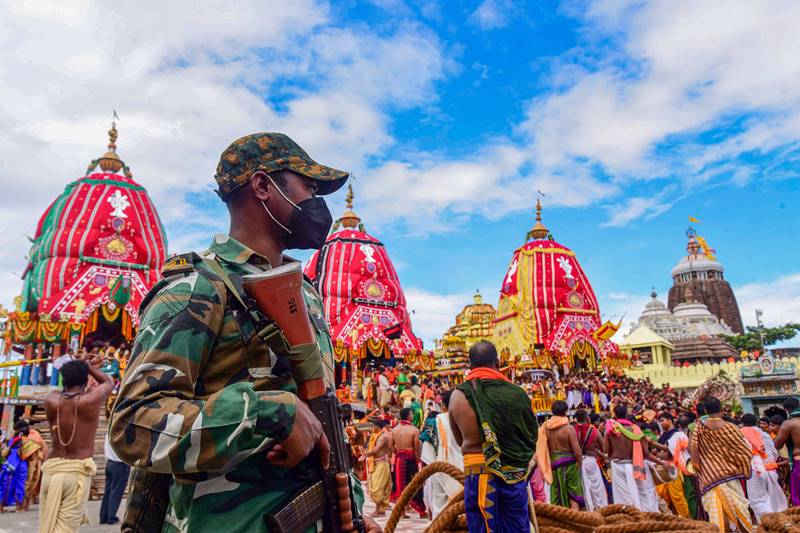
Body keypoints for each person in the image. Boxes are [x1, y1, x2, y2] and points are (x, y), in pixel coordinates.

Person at [108, 133, 379, 533]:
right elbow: (133, 423)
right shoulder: (198, 287)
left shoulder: (306, 294)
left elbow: (321, 421)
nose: (317, 202)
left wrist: (348, 509)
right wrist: (266, 413)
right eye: (309, 186)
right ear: (263, 186)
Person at [449, 341, 537, 532]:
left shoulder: (458, 395)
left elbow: (459, 440)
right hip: (513, 474)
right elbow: (531, 435)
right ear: (497, 362)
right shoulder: (517, 393)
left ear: (470, 364)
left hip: (477, 472)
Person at [40, 356, 113, 533]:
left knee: (47, 525)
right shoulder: (90, 401)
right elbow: (108, 382)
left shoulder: (51, 400)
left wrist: (75, 370)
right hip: (75, 474)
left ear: (64, 379)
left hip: (51, 471)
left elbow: (64, 391)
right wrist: (88, 366)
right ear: (85, 380)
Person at [689, 397, 753, 533]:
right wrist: (741, 467)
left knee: (716, 511)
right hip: (730, 474)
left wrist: (698, 468)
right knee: (739, 506)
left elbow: (693, 450)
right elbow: (745, 451)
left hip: (709, 475)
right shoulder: (731, 427)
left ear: (705, 410)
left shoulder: (699, 428)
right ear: (721, 408)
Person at [604, 404, 667, 512]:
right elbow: (646, 454)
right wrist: (662, 463)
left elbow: (606, 450)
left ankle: (628, 518)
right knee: (639, 495)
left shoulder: (610, 429)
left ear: (615, 415)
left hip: (618, 467)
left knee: (623, 499)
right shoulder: (636, 430)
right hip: (634, 466)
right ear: (626, 415)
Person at [535, 401, 583, 509]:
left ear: (552, 411)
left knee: (556, 493)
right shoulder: (569, 428)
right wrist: (579, 463)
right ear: (565, 412)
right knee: (574, 493)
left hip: (554, 465)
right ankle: (575, 517)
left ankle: (559, 517)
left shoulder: (545, 428)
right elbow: (577, 451)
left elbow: (541, 448)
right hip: (570, 465)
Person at [740, 413, 787, 521]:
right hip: (771, 470)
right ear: (756, 422)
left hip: (755, 471)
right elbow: (774, 453)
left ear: (743, 424)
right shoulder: (765, 434)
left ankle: (768, 524)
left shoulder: (741, 434)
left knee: (758, 501)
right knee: (774, 499)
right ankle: (779, 522)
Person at [426, 390, 464, 519]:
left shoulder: (434, 422)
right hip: (466, 467)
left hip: (441, 468)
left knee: (441, 507)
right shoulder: (468, 417)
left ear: (443, 405)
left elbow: (427, 451)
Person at [656, 412, 694, 518]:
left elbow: (672, 453)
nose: (661, 423)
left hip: (676, 469)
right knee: (665, 496)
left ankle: (687, 519)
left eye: (662, 420)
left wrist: (655, 447)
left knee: (677, 497)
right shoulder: (664, 435)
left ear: (669, 420)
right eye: (659, 421)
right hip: (666, 469)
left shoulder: (678, 434)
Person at [391, 408, 426, 517]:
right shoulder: (414, 430)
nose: (413, 415)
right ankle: (421, 511)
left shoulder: (394, 430)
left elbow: (390, 446)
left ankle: (402, 511)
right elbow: (416, 449)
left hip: (399, 460)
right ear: (408, 416)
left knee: (400, 485)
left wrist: (397, 453)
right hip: (411, 459)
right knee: (416, 484)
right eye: (411, 414)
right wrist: (418, 461)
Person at [575, 409, 607, 511]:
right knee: (597, 487)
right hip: (591, 461)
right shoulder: (595, 431)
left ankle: (590, 510)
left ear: (576, 419)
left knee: (585, 488)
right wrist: (595, 449)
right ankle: (601, 507)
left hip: (579, 462)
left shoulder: (573, 430)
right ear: (587, 418)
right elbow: (604, 448)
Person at [363, 419, 393, 516]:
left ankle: (377, 510)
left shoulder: (383, 437)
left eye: (373, 426)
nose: (372, 428)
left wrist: (365, 455)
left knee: (378, 487)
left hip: (381, 464)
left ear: (376, 426)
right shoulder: (374, 436)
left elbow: (376, 450)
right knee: (375, 486)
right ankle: (381, 510)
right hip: (375, 463)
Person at [99, 432, 129, 525]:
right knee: (116, 492)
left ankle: (103, 516)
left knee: (108, 491)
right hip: (120, 464)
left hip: (110, 463)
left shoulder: (109, 432)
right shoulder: (122, 433)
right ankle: (111, 517)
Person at [774, 397, 800, 506]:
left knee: (798, 498)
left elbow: (777, 445)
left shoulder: (788, 424)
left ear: (786, 410)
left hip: (798, 461)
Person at [0, 423, 29, 512]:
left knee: (5, 483)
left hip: (10, 464)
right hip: (21, 465)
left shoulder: (12, 441)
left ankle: (1, 507)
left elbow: (5, 453)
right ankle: (19, 507)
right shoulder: (28, 442)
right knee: (20, 484)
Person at [20, 420, 47, 512]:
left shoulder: (31, 437)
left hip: (31, 463)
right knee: (31, 482)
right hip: (33, 464)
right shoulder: (36, 437)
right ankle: (26, 503)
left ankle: (23, 504)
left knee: (29, 482)